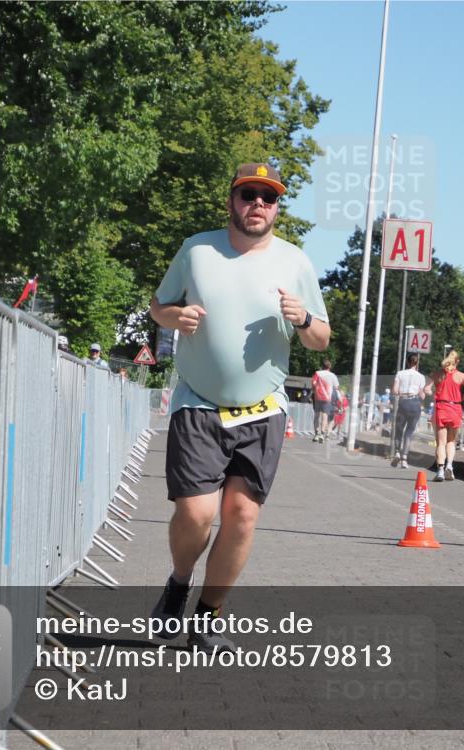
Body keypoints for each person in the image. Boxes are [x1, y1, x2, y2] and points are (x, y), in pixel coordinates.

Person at [148, 162, 330, 651]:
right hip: (198, 401)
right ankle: (178, 583)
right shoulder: (197, 249)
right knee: (196, 513)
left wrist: (305, 316)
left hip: (263, 409)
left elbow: (320, 338)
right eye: (249, 194)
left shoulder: (295, 262)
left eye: (268, 198)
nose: (258, 205)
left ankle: (208, 617)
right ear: (231, 199)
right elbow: (158, 306)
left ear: (276, 208)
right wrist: (175, 316)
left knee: (242, 516)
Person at [429, 350, 464, 482]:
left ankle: (440, 471)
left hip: (441, 408)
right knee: (451, 441)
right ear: (457, 362)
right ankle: (449, 465)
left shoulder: (438, 375)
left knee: (441, 443)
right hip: (455, 408)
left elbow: (426, 388)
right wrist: (462, 397)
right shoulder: (461, 376)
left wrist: (433, 392)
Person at [390, 353, 431, 469]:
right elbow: (422, 396)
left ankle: (397, 452)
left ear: (408, 362)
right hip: (415, 404)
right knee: (409, 433)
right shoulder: (421, 377)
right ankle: (404, 459)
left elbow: (394, 390)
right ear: (417, 363)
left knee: (399, 430)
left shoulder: (400, 374)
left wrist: (401, 393)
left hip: (403, 402)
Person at [311, 359, 339, 443]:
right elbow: (337, 387)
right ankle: (322, 435)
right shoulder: (332, 375)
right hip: (327, 398)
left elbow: (313, 383)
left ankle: (316, 434)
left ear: (322, 366)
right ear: (329, 367)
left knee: (316, 415)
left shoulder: (317, 373)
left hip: (317, 396)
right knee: (325, 416)